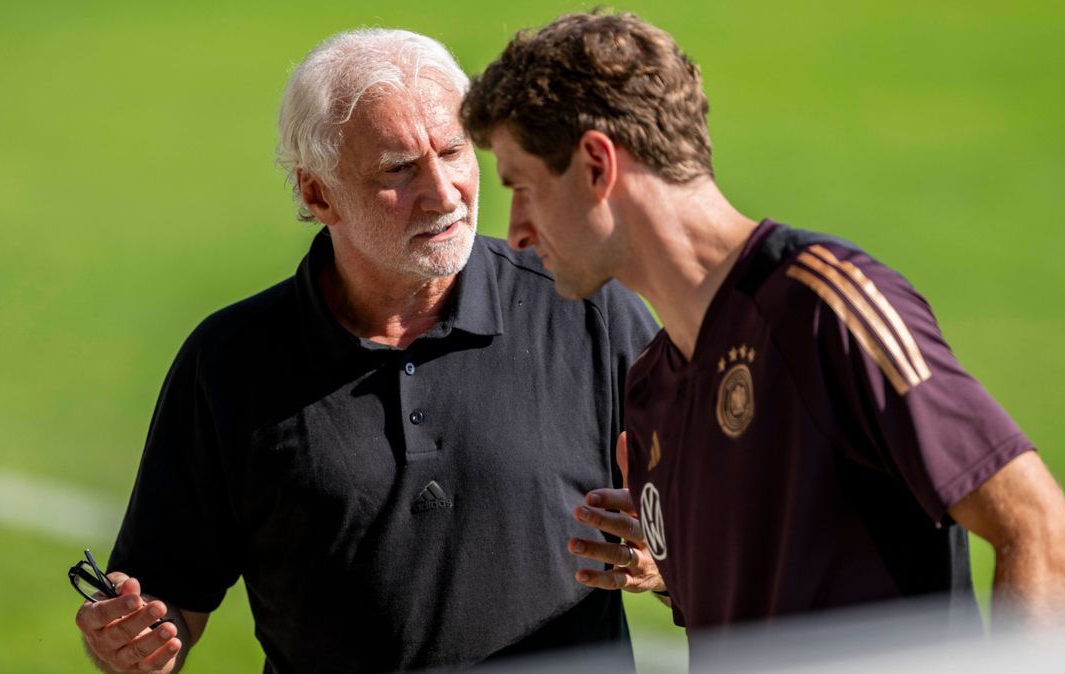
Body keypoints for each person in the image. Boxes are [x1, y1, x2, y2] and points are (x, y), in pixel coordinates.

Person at [461, 10, 1065, 638]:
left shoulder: (825, 307)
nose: (514, 233)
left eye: (523, 187)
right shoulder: (651, 391)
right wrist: (667, 569)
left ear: (598, 166)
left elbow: (1045, 536)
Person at [72, 28, 657, 673]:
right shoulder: (229, 364)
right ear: (317, 193)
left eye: (454, 150)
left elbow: (730, 527)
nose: (444, 193)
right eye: (398, 170)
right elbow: (166, 603)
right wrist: (131, 641)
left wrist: (664, 563)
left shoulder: (589, 310)